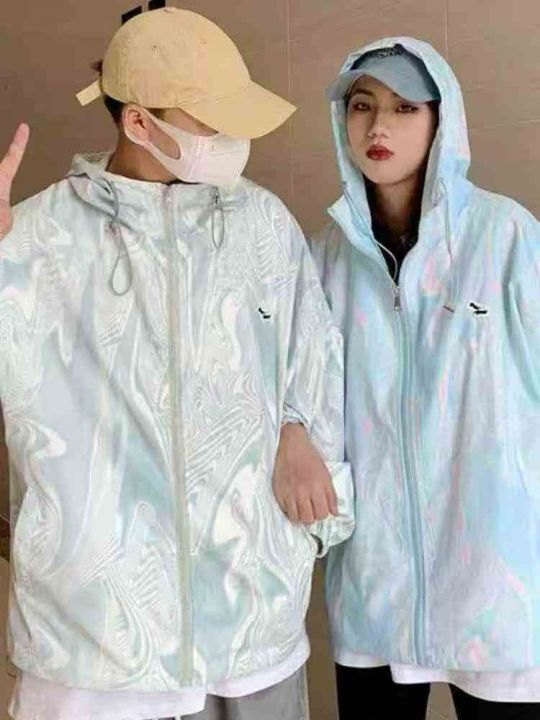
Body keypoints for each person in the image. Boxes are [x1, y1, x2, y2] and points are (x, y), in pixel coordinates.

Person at [0, 7, 355, 720]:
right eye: (211, 122)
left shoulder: (262, 223)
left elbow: (312, 356)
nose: (234, 139)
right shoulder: (34, 238)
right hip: (95, 644)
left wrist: (295, 428)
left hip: (251, 619)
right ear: (139, 123)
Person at [309, 37, 540, 718]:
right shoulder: (324, 257)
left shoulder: (506, 236)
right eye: (361, 106)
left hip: (497, 585)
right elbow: (301, 398)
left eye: (405, 107)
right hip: (375, 583)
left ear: (443, 121)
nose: (377, 127)